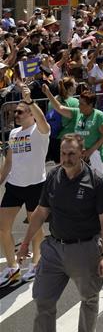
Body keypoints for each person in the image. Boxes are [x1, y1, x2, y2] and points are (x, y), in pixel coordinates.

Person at [13, 134, 103, 332]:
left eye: (71, 153)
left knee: (88, 299)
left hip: (85, 248)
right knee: (43, 301)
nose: (66, 158)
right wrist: (25, 243)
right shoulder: (53, 177)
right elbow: (41, 212)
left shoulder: (96, 181)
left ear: (81, 153)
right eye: (63, 153)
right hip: (54, 249)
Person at [0, 84, 51, 287]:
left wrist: (30, 100)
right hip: (14, 186)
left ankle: (37, 263)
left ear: (31, 113)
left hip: (35, 185)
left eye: (20, 111)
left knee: (36, 228)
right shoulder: (13, 134)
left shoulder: (40, 131)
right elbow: (9, 161)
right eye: (15, 112)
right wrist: (1, 179)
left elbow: (44, 122)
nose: (16, 115)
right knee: (3, 228)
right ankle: (12, 268)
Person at [42, 86, 103, 181]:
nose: (79, 106)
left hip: (94, 155)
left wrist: (90, 150)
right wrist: (48, 93)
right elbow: (59, 108)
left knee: (98, 181)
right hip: (80, 155)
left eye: (82, 104)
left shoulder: (99, 115)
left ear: (90, 105)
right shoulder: (77, 112)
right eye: (79, 103)